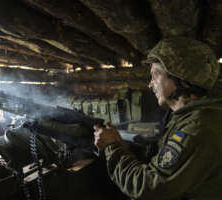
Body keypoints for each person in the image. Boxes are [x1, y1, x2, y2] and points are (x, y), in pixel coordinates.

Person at [94, 37, 222, 200]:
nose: (150, 84)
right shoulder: (191, 116)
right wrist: (122, 146)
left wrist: (113, 147)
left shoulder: (197, 128)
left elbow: (147, 188)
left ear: (182, 79)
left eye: (155, 74)